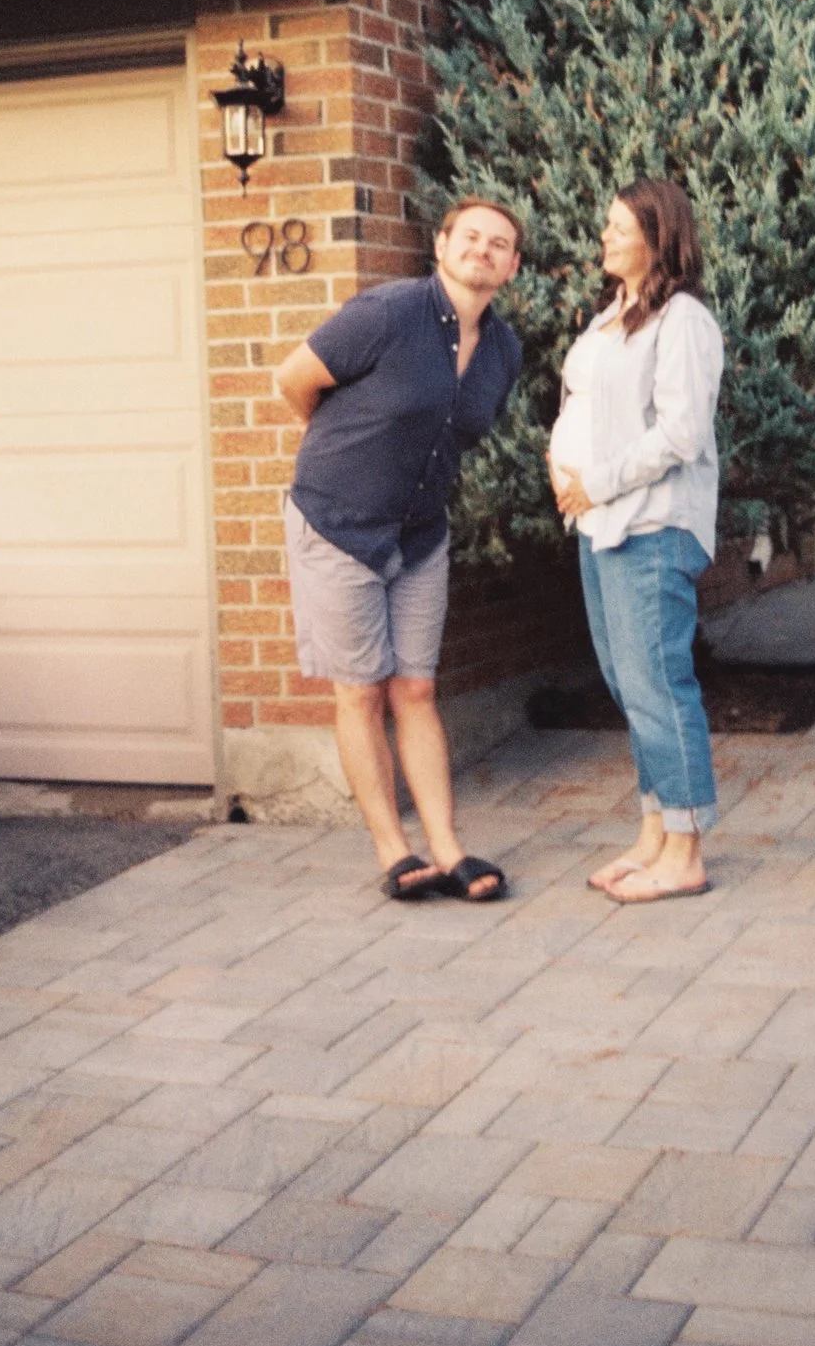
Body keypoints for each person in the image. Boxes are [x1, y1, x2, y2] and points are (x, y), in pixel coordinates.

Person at [275, 200, 524, 902]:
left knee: (415, 687)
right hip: (339, 524)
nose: (482, 250)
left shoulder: (504, 351)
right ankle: (394, 850)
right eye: (469, 236)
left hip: (418, 534)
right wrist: (341, 445)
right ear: (442, 245)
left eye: (498, 244)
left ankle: (447, 848)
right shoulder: (386, 313)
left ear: (512, 267)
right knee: (360, 690)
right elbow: (295, 378)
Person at [549, 178, 724, 903]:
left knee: (659, 683)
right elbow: (584, 407)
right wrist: (568, 477)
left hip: (650, 522)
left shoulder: (682, 318)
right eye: (607, 223)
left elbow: (680, 433)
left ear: (660, 236)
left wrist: (600, 480)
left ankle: (685, 850)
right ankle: (653, 831)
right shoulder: (608, 318)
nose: (605, 236)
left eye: (621, 227)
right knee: (629, 685)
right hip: (598, 524)